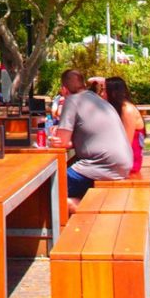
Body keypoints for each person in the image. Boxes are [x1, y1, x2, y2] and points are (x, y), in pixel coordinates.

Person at [49, 68, 132, 213]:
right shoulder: (97, 100)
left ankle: (84, 209)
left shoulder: (72, 101)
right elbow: (86, 136)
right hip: (123, 164)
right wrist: (69, 141)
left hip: (100, 166)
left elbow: (61, 142)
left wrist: (56, 138)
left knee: (51, 187)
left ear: (64, 89)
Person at [105, 75, 146, 174]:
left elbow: (126, 143)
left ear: (113, 93)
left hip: (129, 162)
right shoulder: (118, 109)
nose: (101, 94)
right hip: (122, 160)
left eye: (104, 90)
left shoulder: (128, 110)